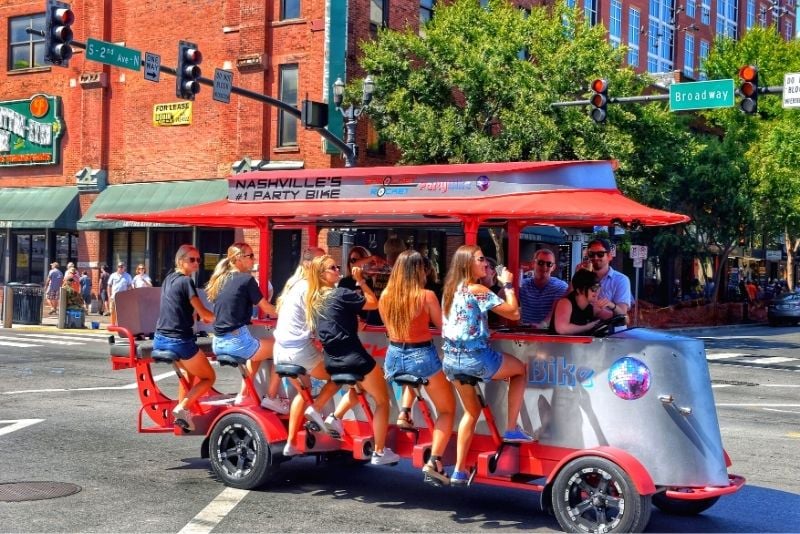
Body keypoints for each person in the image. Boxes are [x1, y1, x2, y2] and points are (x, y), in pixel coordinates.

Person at [441, 245, 533, 486]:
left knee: (471, 412)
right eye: (481, 260)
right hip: (477, 358)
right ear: (467, 264)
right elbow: (513, 313)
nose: (484, 264)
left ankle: (459, 470)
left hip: (451, 361)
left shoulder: (451, 290)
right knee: (520, 370)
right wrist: (509, 284)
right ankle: (511, 428)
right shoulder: (478, 289)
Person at [305, 254, 401, 466]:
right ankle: (379, 450)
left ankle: (335, 417)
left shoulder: (314, 299)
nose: (338, 270)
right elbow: (372, 303)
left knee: (361, 387)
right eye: (333, 268)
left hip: (332, 360)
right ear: (322, 274)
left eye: (338, 266)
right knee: (383, 401)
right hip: (354, 358)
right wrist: (362, 281)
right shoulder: (340, 293)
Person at [379, 250, 455, 485]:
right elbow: (443, 327)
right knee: (447, 410)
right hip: (420, 354)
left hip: (393, 356)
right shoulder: (426, 295)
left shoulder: (385, 295)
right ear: (419, 270)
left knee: (413, 378)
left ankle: (404, 412)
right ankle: (435, 461)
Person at [273, 247, 345, 456]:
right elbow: (327, 321)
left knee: (303, 392)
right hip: (298, 351)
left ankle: (291, 441)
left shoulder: (295, 284)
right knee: (339, 375)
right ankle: (317, 410)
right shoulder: (310, 289)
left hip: (281, 351)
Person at [205, 243, 286, 413]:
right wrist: (289, 310)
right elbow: (267, 308)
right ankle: (271, 398)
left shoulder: (220, 279)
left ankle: (243, 395)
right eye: (250, 256)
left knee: (256, 352)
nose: (253, 260)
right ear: (238, 258)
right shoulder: (247, 280)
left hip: (218, 341)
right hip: (237, 340)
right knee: (283, 348)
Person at [153, 245, 216, 432]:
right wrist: (223, 316)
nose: (196, 263)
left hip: (160, 338)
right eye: (192, 259)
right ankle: (182, 407)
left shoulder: (168, 279)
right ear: (181, 261)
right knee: (208, 377)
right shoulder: (186, 282)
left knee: (189, 373)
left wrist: (197, 316)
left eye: (198, 259)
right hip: (179, 341)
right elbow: (204, 313)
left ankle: (183, 416)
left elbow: (178, 308)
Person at [583, 238, 632, 320]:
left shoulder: (621, 280)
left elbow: (622, 313)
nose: (595, 257)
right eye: (591, 254)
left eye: (600, 254)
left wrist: (611, 305)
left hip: (611, 329)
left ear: (609, 256)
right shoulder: (583, 277)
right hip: (586, 328)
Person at [519, 249, 568, 329]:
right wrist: (509, 282)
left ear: (553, 267)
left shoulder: (560, 286)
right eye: (540, 263)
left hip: (549, 335)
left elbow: (556, 311)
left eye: (549, 264)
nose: (544, 267)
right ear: (533, 264)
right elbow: (500, 301)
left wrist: (542, 325)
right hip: (525, 333)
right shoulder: (523, 284)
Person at [550, 269, 602, 335]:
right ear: (579, 290)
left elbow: (613, 317)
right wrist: (587, 327)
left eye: (598, 287)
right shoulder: (565, 303)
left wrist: (612, 306)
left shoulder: (590, 307)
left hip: (577, 345)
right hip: (557, 344)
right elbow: (562, 328)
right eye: (594, 288)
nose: (597, 291)